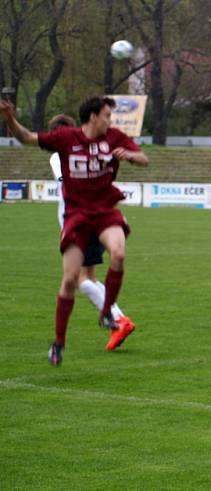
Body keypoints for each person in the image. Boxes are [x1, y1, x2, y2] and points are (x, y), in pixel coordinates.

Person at [0, 96, 149, 366]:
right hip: (76, 216)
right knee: (70, 280)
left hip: (104, 210)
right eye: (106, 115)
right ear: (93, 116)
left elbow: (144, 158)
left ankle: (108, 314)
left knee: (118, 253)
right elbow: (27, 138)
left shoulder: (114, 137)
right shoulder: (66, 139)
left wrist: (131, 156)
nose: (110, 120)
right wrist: (9, 119)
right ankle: (59, 343)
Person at [47, 114, 136, 352]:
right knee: (89, 277)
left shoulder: (59, 155)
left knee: (79, 279)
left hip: (80, 223)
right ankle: (116, 319)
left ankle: (119, 320)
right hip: (93, 218)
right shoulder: (87, 150)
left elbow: (72, 180)